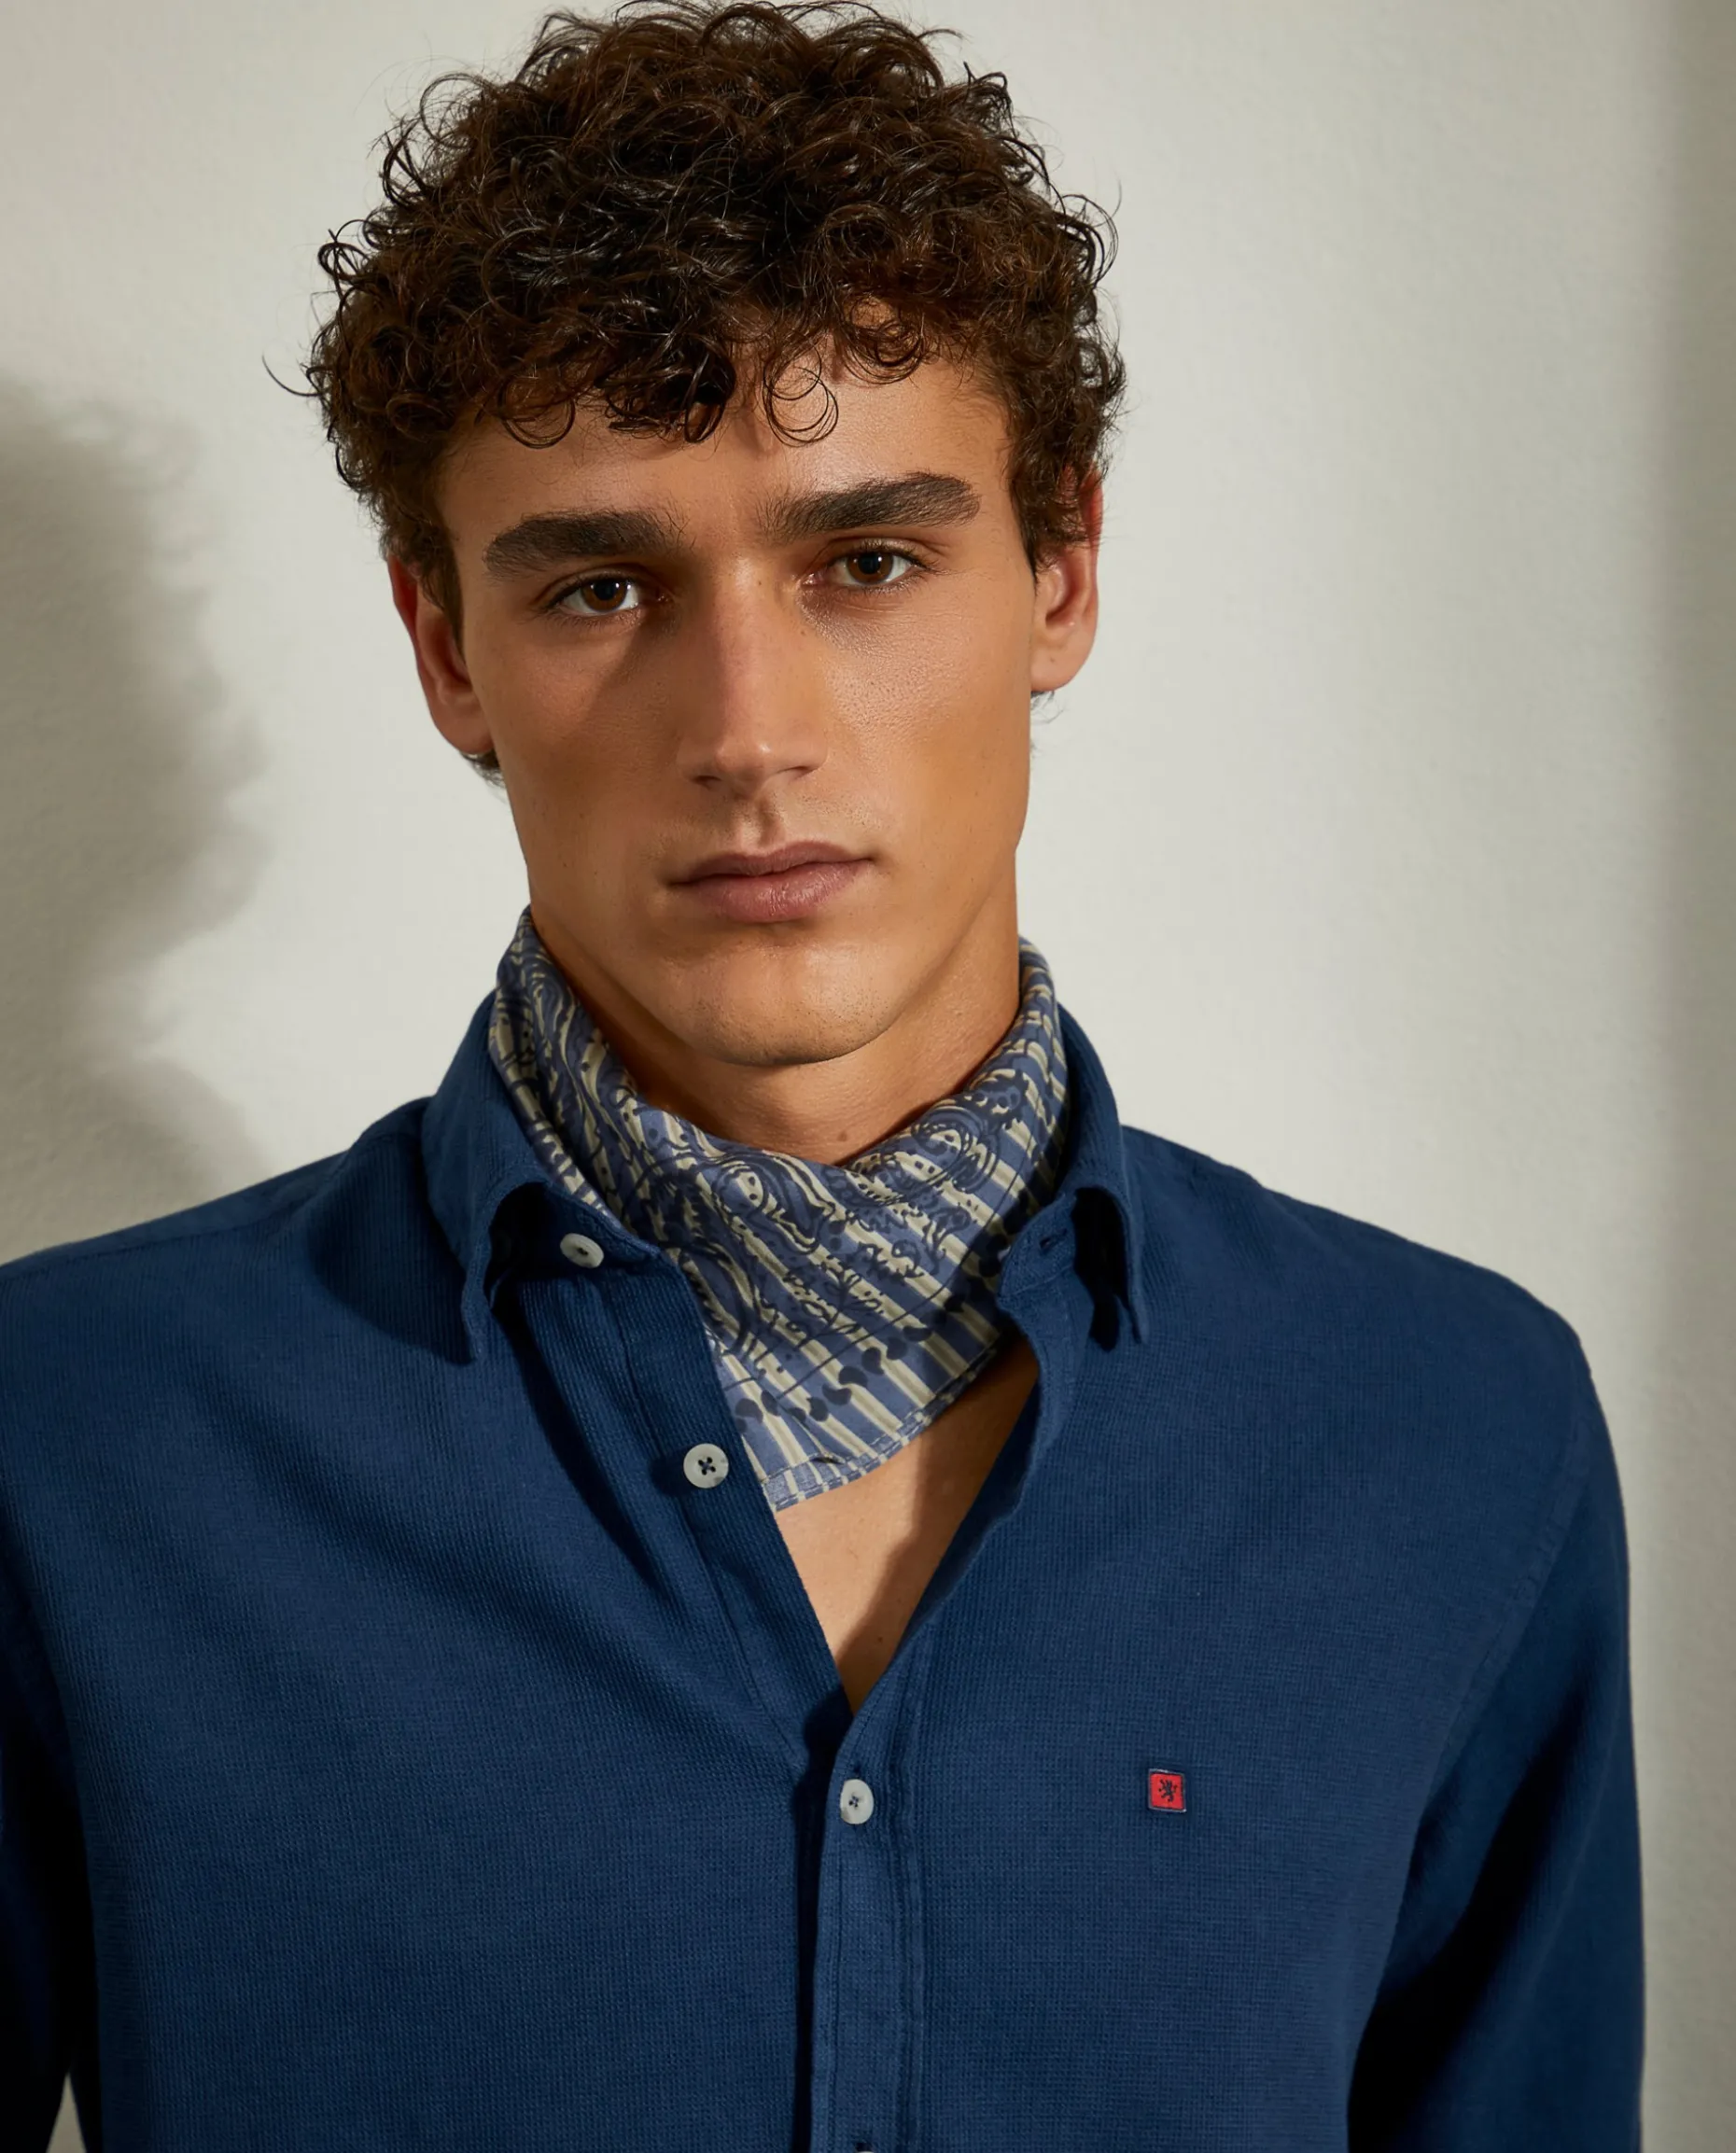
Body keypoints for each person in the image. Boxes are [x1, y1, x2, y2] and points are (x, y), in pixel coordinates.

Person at [0, 3, 1643, 2146]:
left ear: (1060, 569)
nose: (748, 731)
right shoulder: (66, 1444)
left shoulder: (1455, 1437)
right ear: (445, 647)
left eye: (866, 561)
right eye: (603, 586)